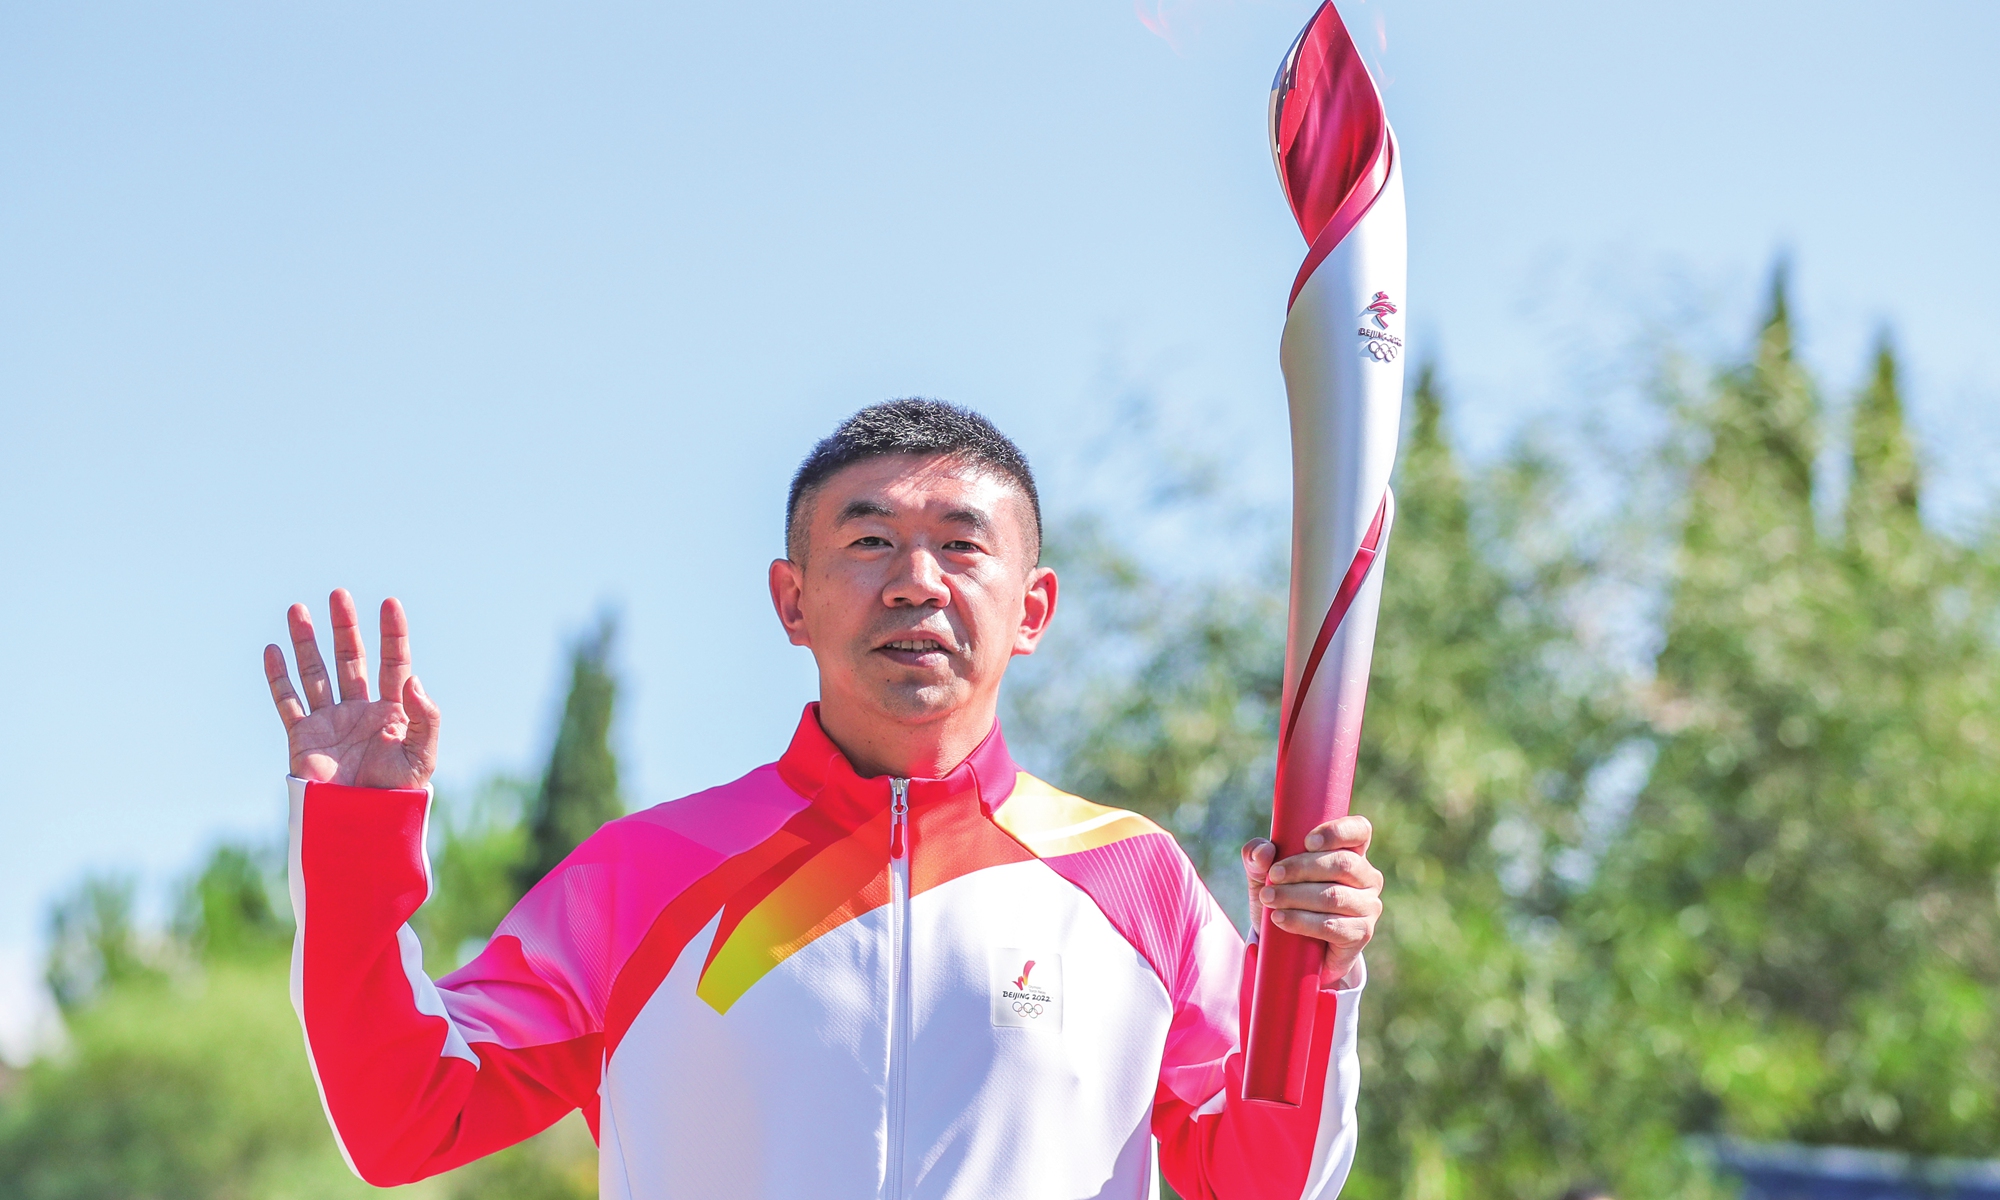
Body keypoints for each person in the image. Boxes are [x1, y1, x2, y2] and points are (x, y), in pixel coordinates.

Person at [263, 399, 1385, 1200]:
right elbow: (403, 1115)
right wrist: (361, 844)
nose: (915, 580)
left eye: (959, 545)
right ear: (790, 601)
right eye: (868, 542)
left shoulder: (1129, 882)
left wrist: (1310, 970)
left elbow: (1259, 1183)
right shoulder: (644, 876)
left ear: (1031, 608)